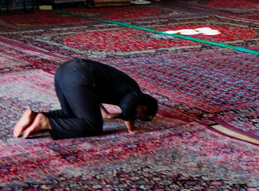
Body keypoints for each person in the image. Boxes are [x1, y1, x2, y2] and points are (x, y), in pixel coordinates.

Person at [13, 58, 159, 139]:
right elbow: (128, 107)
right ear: (142, 107)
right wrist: (132, 128)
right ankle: (46, 123)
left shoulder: (122, 90)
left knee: (73, 115)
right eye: (140, 116)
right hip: (79, 74)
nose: (135, 117)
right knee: (92, 126)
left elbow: (93, 95)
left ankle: (36, 116)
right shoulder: (135, 93)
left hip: (65, 71)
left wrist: (106, 114)